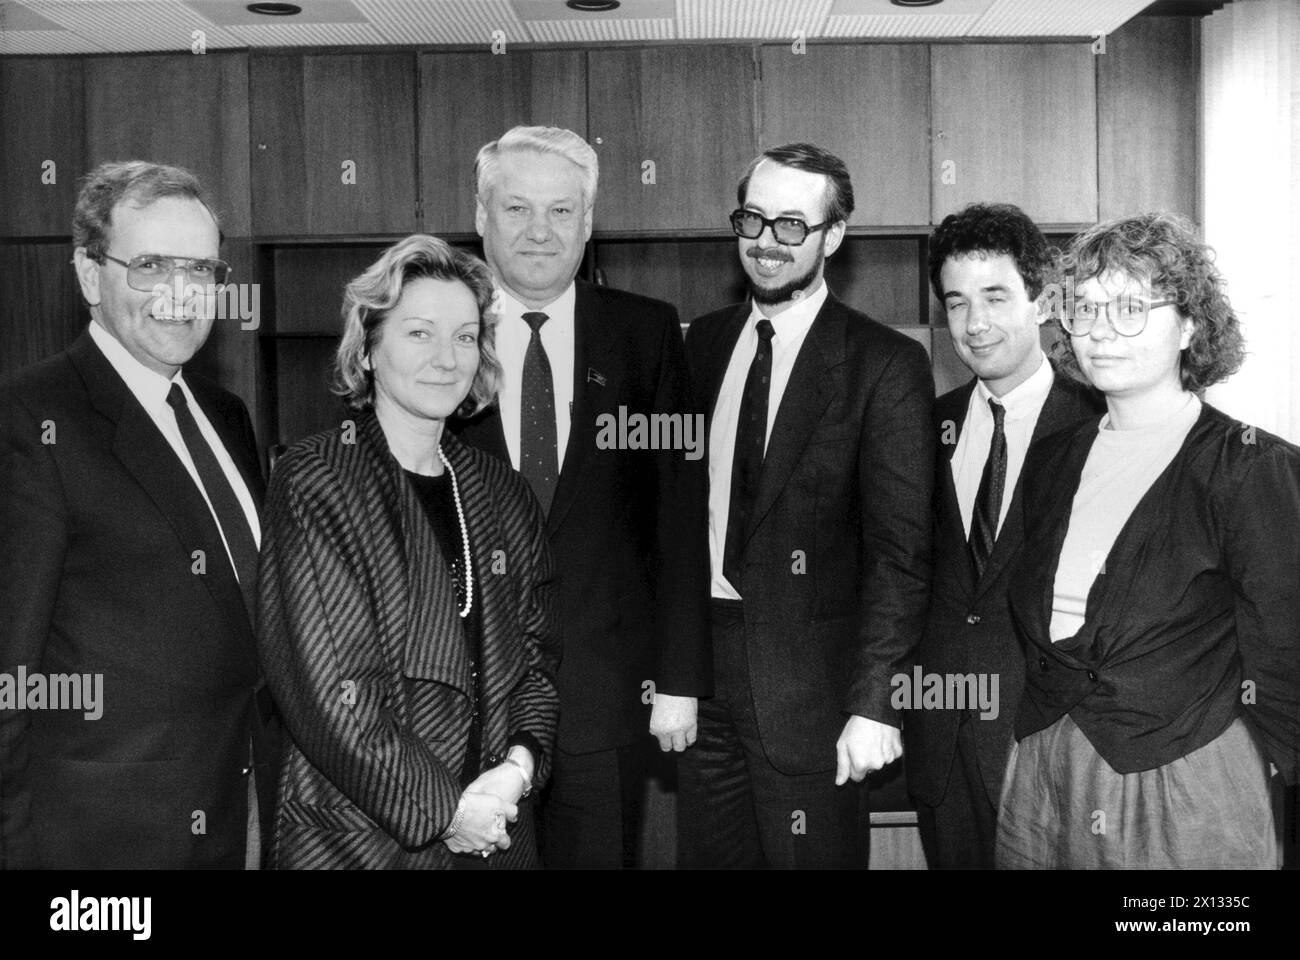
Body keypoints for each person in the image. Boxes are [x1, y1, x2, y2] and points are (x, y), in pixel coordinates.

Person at [998, 213, 1300, 869]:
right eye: (1085, 308)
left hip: (1185, 781)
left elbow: (1286, 654)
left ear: (1190, 326)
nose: (1101, 331)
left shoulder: (1251, 469)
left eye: (1131, 308)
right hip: (1045, 772)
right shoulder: (1052, 461)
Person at [0, 160, 276, 868]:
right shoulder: (29, 421)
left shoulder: (226, 414)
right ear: (91, 277)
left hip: (239, 812)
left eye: (203, 269)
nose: (182, 294)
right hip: (101, 845)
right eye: (151, 265)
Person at [257, 235, 561, 869]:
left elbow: (537, 658)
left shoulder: (502, 490)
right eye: (419, 333)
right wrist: (449, 812)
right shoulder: (318, 479)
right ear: (368, 348)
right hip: (362, 838)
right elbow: (332, 691)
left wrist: (517, 769)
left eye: (465, 336)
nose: (447, 359)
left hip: (498, 835)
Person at [455, 126, 710, 868]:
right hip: (464, 696)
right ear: (481, 215)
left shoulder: (648, 333)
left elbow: (680, 509)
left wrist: (682, 679)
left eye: (562, 212)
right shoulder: (438, 327)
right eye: (518, 208)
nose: (540, 231)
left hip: (607, 695)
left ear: (589, 223)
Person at [678, 142, 935, 867]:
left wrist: (874, 701)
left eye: (793, 225)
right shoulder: (702, 345)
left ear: (834, 236)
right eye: (752, 219)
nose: (767, 242)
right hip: (703, 689)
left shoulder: (884, 365)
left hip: (814, 696)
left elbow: (902, 554)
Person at [906, 203, 1102, 869]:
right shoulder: (924, 429)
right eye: (956, 303)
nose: (975, 324)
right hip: (941, 746)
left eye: (995, 296)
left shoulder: (1099, 427)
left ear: (1043, 301)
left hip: (1051, 748)